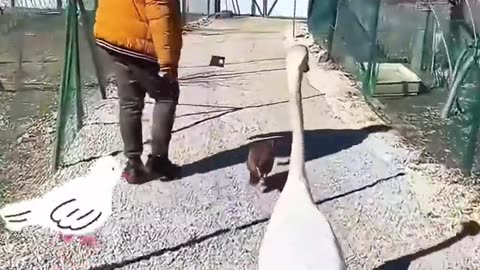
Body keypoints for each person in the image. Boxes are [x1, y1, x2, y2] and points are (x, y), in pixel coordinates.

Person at [94, 0, 183, 184]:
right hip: (138, 41)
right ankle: (159, 162)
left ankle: (133, 165)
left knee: (129, 102)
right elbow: (159, 12)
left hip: (114, 35)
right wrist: (167, 65)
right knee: (167, 95)